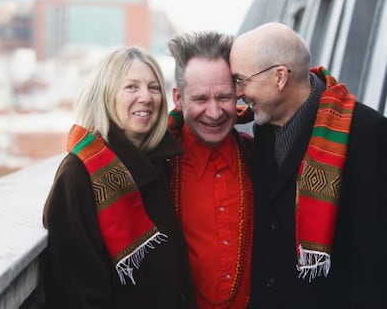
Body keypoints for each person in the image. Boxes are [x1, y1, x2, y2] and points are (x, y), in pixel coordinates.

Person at [229, 22, 387, 309]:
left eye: (241, 80)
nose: (237, 93)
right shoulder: (262, 129)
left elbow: (376, 260)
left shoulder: (366, 133)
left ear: (279, 78)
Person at [41, 46, 197, 308]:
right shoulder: (80, 175)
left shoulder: (163, 163)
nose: (146, 97)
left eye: (154, 87)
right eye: (131, 87)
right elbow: (74, 290)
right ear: (105, 96)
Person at [167, 31, 254, 309]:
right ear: (178, 98)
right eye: (201, 99)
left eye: (224, 97)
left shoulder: (263, 158)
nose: (215, 113)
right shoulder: (156, 167)